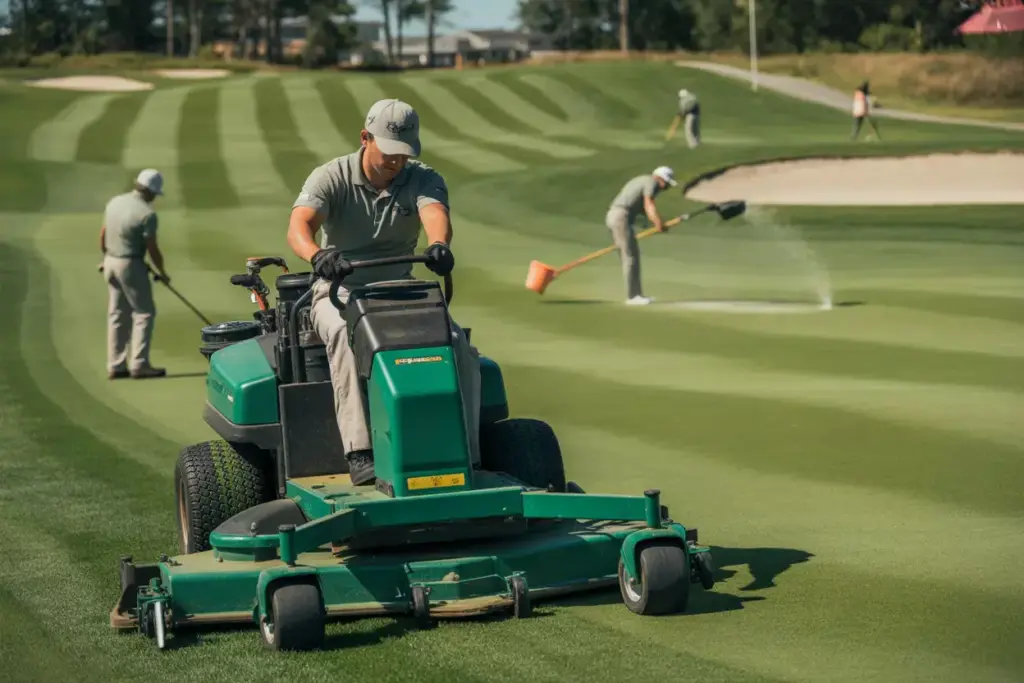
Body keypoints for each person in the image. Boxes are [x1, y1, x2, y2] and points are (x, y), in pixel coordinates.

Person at [287, 98, 481, 487]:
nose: (397, 162)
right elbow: (298, 227)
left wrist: (439, 244)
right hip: (341, 286)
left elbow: (434, 214)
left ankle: (465, 448)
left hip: (400, 285)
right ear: (365, 138)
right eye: (390, 152)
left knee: (456, 341)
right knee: (344, 334)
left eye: (404, 154)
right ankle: (360, 450)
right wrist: (318, 254)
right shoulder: (331, 176)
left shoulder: (422, 177)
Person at [100, 169, 170, 380]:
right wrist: (162, 272)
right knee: (144, 313)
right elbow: (152, 248)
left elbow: (103, 234)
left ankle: (116, 364)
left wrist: (106, 257)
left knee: (117, 314)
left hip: (110, 261)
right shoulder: (146, 214)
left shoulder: (114, 202)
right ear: (150, 192)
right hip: (130, 264)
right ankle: (139, 364)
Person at [604, 166, 678, 306]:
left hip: (615, 215)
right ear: (660, 178)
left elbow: (641, 208)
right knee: (630, 256)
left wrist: (656, 222)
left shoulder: (641, 179)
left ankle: (637, 294)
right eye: (666, 183)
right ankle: (633, 297)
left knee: (630, 255)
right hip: (621, 217)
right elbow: (649, 205)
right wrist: (659, 223)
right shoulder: (652, 182)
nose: (665, 188)